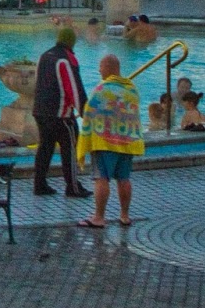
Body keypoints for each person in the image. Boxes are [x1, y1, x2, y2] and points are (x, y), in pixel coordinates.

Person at [76, 54, 144, 229]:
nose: (99, 70)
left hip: (104, 142)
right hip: (127, 141)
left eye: (101, 67)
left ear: (108, 68)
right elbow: (134, 115)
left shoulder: (102, 90)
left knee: (101, 178)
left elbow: (89, 113)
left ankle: (98, 217)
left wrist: (86, 140)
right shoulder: (131, 89)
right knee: (124, 178)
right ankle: (125, 215)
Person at [32, 27, 90, 198]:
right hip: (61, 114)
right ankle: (73, 187)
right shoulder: (66, 59)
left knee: (45, 147)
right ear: (71, 42)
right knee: (70, 149)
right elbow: (74, 87)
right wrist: (85, 112)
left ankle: (39, 184)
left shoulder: (45, 55)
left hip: (40, 111)